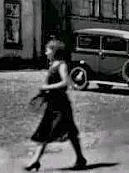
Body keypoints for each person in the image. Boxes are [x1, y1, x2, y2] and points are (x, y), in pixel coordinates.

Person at [24, 40, 87, 171]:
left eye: (48, 50)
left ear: (54, 51)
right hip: (53, 103)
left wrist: (47, 87)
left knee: (63, 131)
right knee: (55, 130)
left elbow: (65, 82)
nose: (46, 53)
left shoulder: (61, 65)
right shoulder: (53, 65)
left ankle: (36, 160)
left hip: (61, 105)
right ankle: (36, 160)